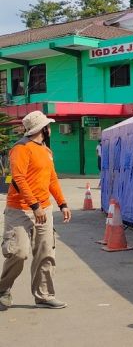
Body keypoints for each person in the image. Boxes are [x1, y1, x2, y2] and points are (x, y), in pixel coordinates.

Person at [0, 111, 72, 311]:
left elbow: (52, 179)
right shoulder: (21, 148)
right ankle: (2, 290)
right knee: (19, 252)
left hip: (44, 210)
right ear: (43, 129)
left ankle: (44, 296)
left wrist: (62, 203)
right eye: (49, 126)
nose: (51, 129)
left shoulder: (47, 151)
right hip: (19, 210)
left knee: (45, 253)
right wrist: (35, 206)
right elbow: (18, 179)